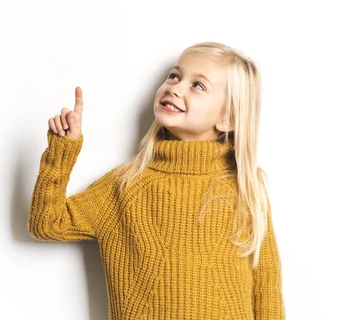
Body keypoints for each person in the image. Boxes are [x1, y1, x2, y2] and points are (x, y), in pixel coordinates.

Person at [27, 41, 285, 320]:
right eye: (175, 76)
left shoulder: (245, 190)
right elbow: (47, 223)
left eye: (197, 85)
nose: (175, 87)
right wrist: (63, 150)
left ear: (228, 118)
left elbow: (266, 290)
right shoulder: (125, 186)